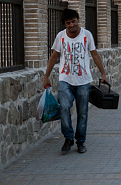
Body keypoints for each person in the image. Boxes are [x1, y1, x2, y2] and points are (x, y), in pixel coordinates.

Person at [42, 8, 107, 155]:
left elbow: (95, 54)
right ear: (64, 25)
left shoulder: (87, 35)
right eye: (68, 23)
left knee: (82, 112)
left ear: (78, 20)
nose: (71, 25)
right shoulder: (61, 36)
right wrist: (46, 76)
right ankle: (68, 138)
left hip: (83, 80)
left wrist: (103, 73)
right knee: (64, 108)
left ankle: (80, 141)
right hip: (65, 79)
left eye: (73, 21)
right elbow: (54, 56)